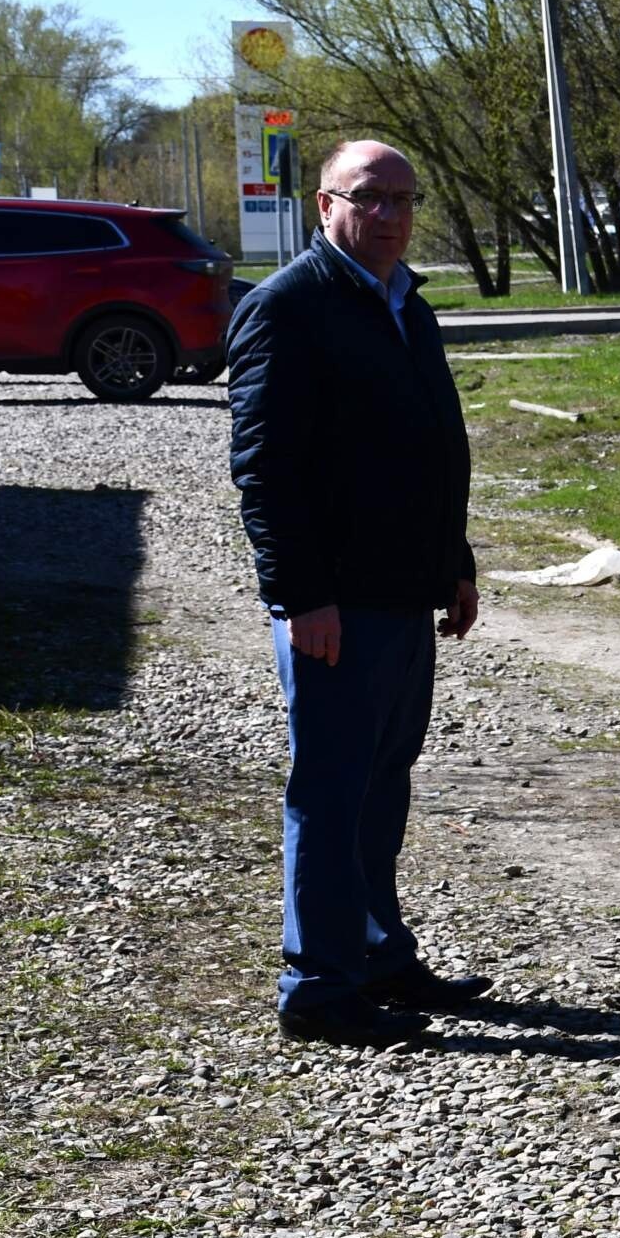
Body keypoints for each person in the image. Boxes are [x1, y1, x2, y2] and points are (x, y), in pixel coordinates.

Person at [227, 139, 493, 1048]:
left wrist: (451, 561)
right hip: (333, 602)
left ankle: (378, 954)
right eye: (370, 198)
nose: (389, 216)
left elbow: (430, 445)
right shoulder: (289, 308)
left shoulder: (404, 302)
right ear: (324, 204)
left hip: (403, 593)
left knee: (382, 784)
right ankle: (319, 986)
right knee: (331, 792)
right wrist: (301, 595)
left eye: (404, 200)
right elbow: (265, 471)